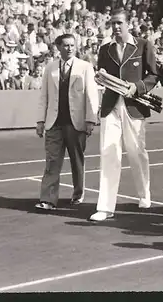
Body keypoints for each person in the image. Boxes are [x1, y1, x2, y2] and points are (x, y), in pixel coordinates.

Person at [89, 8, 159, 222]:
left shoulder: (143, 45)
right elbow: (101, 75)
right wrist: (100, 78)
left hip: (134, 107)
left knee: (137, 153)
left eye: (120, 23)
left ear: (129, 24)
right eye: (113, 24)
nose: (116, 27)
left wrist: (136, 87)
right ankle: (105, 207)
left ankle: (144, 195)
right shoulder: (105, 49)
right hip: (111, 107)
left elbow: (153, 75)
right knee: (109, 153)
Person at [34, 33, 100, 210]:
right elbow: (44, 97)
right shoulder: (50, 68)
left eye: (72, 45)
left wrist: (90, 120)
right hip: (54, 122)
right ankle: (48, 199)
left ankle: (78, 194)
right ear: (58, 47)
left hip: (76, 122)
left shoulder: (85, 67)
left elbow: (91, 95)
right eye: (66, 45)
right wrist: (40, 120)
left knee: (77, 160)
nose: (70, 48)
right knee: (52, 161)